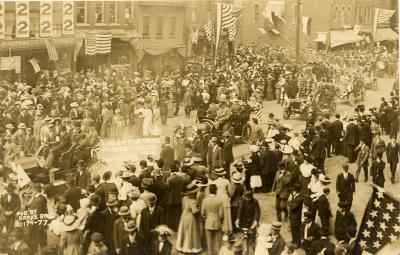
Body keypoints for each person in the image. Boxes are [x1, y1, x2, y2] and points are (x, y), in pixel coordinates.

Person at [176, 183, 202, 254]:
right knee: (190, 232)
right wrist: (199, 208)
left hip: (183, 216)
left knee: (184, 231)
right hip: (190, 218)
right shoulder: (193, 201)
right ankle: (190, 247)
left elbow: (183, 207)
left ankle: (181, 246)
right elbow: (194, 212)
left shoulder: (184, 198)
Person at [201, 183, 224, 255]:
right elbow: (221, 215)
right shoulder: (219, 200)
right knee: (218, 242)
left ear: (209, 191)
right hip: (217, 222)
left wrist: (207, 218)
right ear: (216, 191)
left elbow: (202, 213)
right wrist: (221, 220)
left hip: (208, 222)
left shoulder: (205, 201)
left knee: (209, 242)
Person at [211, 167, 233, 233]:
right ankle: (227, 228)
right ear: (223, 174)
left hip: (217, 197)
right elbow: (230, 193)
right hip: (224, 197)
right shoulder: (226, 181)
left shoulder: (214, 182)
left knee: (218, 213)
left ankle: (219, 228)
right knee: (226, 213)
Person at [288, 184, 303, 248]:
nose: (292, 192)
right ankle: (294, 241)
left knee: (296, 231)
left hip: (296, 217)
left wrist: (290, 200)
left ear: (296, 191)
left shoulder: (299, 198)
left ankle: (297, 243)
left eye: (293, 191)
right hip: (293, 217)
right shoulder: (296, 197)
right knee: (293, 230)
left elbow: (292, 207)